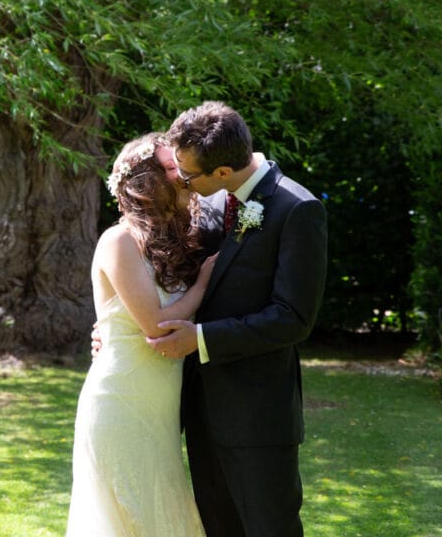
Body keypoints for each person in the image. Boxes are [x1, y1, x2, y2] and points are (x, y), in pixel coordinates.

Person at [147, 101, 328, 537]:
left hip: (258, 415)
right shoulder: (209, 204)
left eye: (188, 176)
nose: (184, 184)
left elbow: (293, 318)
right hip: (201, 408)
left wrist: (202, 339)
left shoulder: (297, 209)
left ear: (224, 172)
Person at [66, 133, 215, 537]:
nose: (181, 176)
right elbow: (156, 327)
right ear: (145, 182)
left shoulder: (171, 241)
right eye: (170, 169)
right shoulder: (118, 241)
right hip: (121, 400)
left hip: (161, 404)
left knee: (162, 509)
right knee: (133, 515)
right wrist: (202, 285)